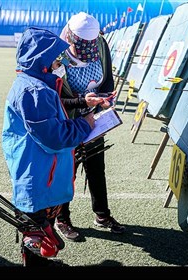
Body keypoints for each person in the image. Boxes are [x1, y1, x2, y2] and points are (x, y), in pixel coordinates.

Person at [2, 27, 95, 266]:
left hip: (43, 175)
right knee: (37, 234)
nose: (58, 62)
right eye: (54, 56)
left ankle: (38, 263)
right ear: (41, 58)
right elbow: (53, 137)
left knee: (41, 233)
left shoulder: (35, 84)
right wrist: (84, 126)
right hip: (40, 177)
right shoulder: (34, 90)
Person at [54, 12, 126, 242]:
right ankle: (61, 219)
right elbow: (55, 97)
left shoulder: (100, 44)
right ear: (72, 39)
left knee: (96, 166)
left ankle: (102, 215)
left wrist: (106, 98)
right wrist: (81, 102)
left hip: (94, 118)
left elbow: (106, 79)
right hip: (69, 121)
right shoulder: (57, 53)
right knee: (67, 171)